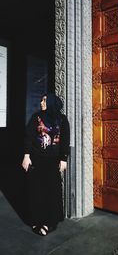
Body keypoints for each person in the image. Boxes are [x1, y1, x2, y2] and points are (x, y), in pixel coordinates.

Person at [22, 93, 70, 236]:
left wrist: (63, 159)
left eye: (44, 100)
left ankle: (49, 222)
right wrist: (26, 155)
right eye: (42, 100)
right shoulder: (36, 117)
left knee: (51, 192)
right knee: (36, 191)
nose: (41, 102)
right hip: (37, 160)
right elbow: (28, 137)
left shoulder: (62, 120)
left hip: (53, 162)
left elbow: (65, 141)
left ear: (51, 102)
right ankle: (37, 219)